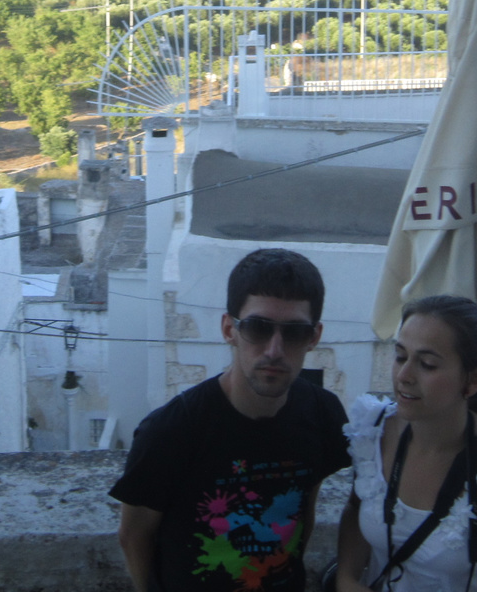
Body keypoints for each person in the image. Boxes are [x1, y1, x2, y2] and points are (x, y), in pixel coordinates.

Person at [111, 248, 350, 592]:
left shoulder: (323, 413)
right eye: (258, 328)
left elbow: (303, 509)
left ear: (314, 337)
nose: (274, 350)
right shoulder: (172, 430)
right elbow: (133, 537)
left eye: (294, 332)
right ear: (229, 329)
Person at [333, 295, 477, 592]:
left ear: (474, 380)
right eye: (400, 356)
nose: (403, 376)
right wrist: (347, 579)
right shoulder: (374, 432)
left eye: (426, 364)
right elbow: (357, 507)